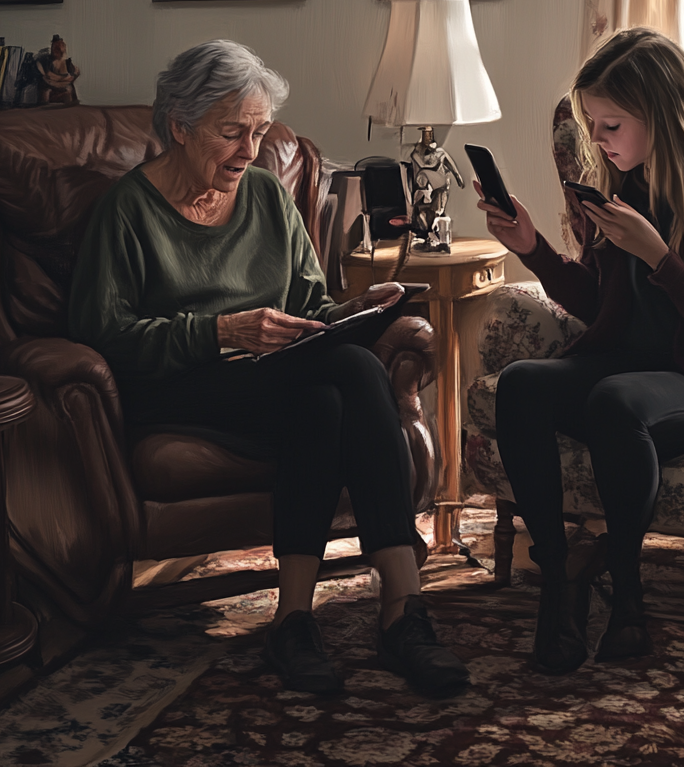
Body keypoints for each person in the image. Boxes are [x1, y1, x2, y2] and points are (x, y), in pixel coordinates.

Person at [69, 39, 469, 699]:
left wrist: (356, 309)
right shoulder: (128, 212)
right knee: (348, 375)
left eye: (257, 132)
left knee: (326, 398)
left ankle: (294, 620)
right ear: (179, 126)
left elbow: (309, 304)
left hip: (275, 377)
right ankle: (403, 609)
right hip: (181, 386)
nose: (249, 152)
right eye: (231, 133)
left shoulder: (264, 196)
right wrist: (218, 330)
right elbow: (102, 335)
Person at [475, 28, 684, 675]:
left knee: (614, 401)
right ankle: (560, 579)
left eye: (609, 124)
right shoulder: (622, 182)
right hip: (628, 363)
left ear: (664, 114)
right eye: (590, 123)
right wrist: (531, 247)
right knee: (521, 384)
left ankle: (626, 595)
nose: (596, 140)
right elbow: (602, 306)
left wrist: (659, 255)